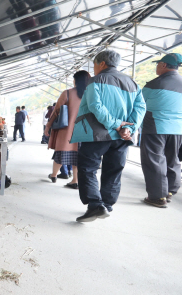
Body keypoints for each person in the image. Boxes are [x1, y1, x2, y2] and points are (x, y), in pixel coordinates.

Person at [71, 50, 145, 222]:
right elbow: (140, 108)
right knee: (114, 169)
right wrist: (128, 129)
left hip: (97, 134)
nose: (94, 68)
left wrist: (116, 124)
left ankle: (96, 205)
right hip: (121, 137)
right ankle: (107, 204)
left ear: (102, 64)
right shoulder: (132, 83)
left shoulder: (95, 81)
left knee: (88, 167)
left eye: (95, 64)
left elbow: (96, 107)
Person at [140, 53, 182, 208]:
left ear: (164, 65)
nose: (156, 66)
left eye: (158, 64)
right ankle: (170, 191)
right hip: (178, 129)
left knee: (154, 161)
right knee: (173, 160)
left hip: (155, 126)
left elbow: (139, 104)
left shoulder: (154, 84)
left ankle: (157, 197)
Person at [44, 70, 91, 189]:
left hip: (67, 131)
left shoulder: (67, 93)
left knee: (61, 154)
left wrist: (48, 126)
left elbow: (56, 112)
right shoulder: (92, 94)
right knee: (78, 157)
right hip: (85, 132)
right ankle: (75, 180)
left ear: (76, 80)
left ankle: (54, 175)